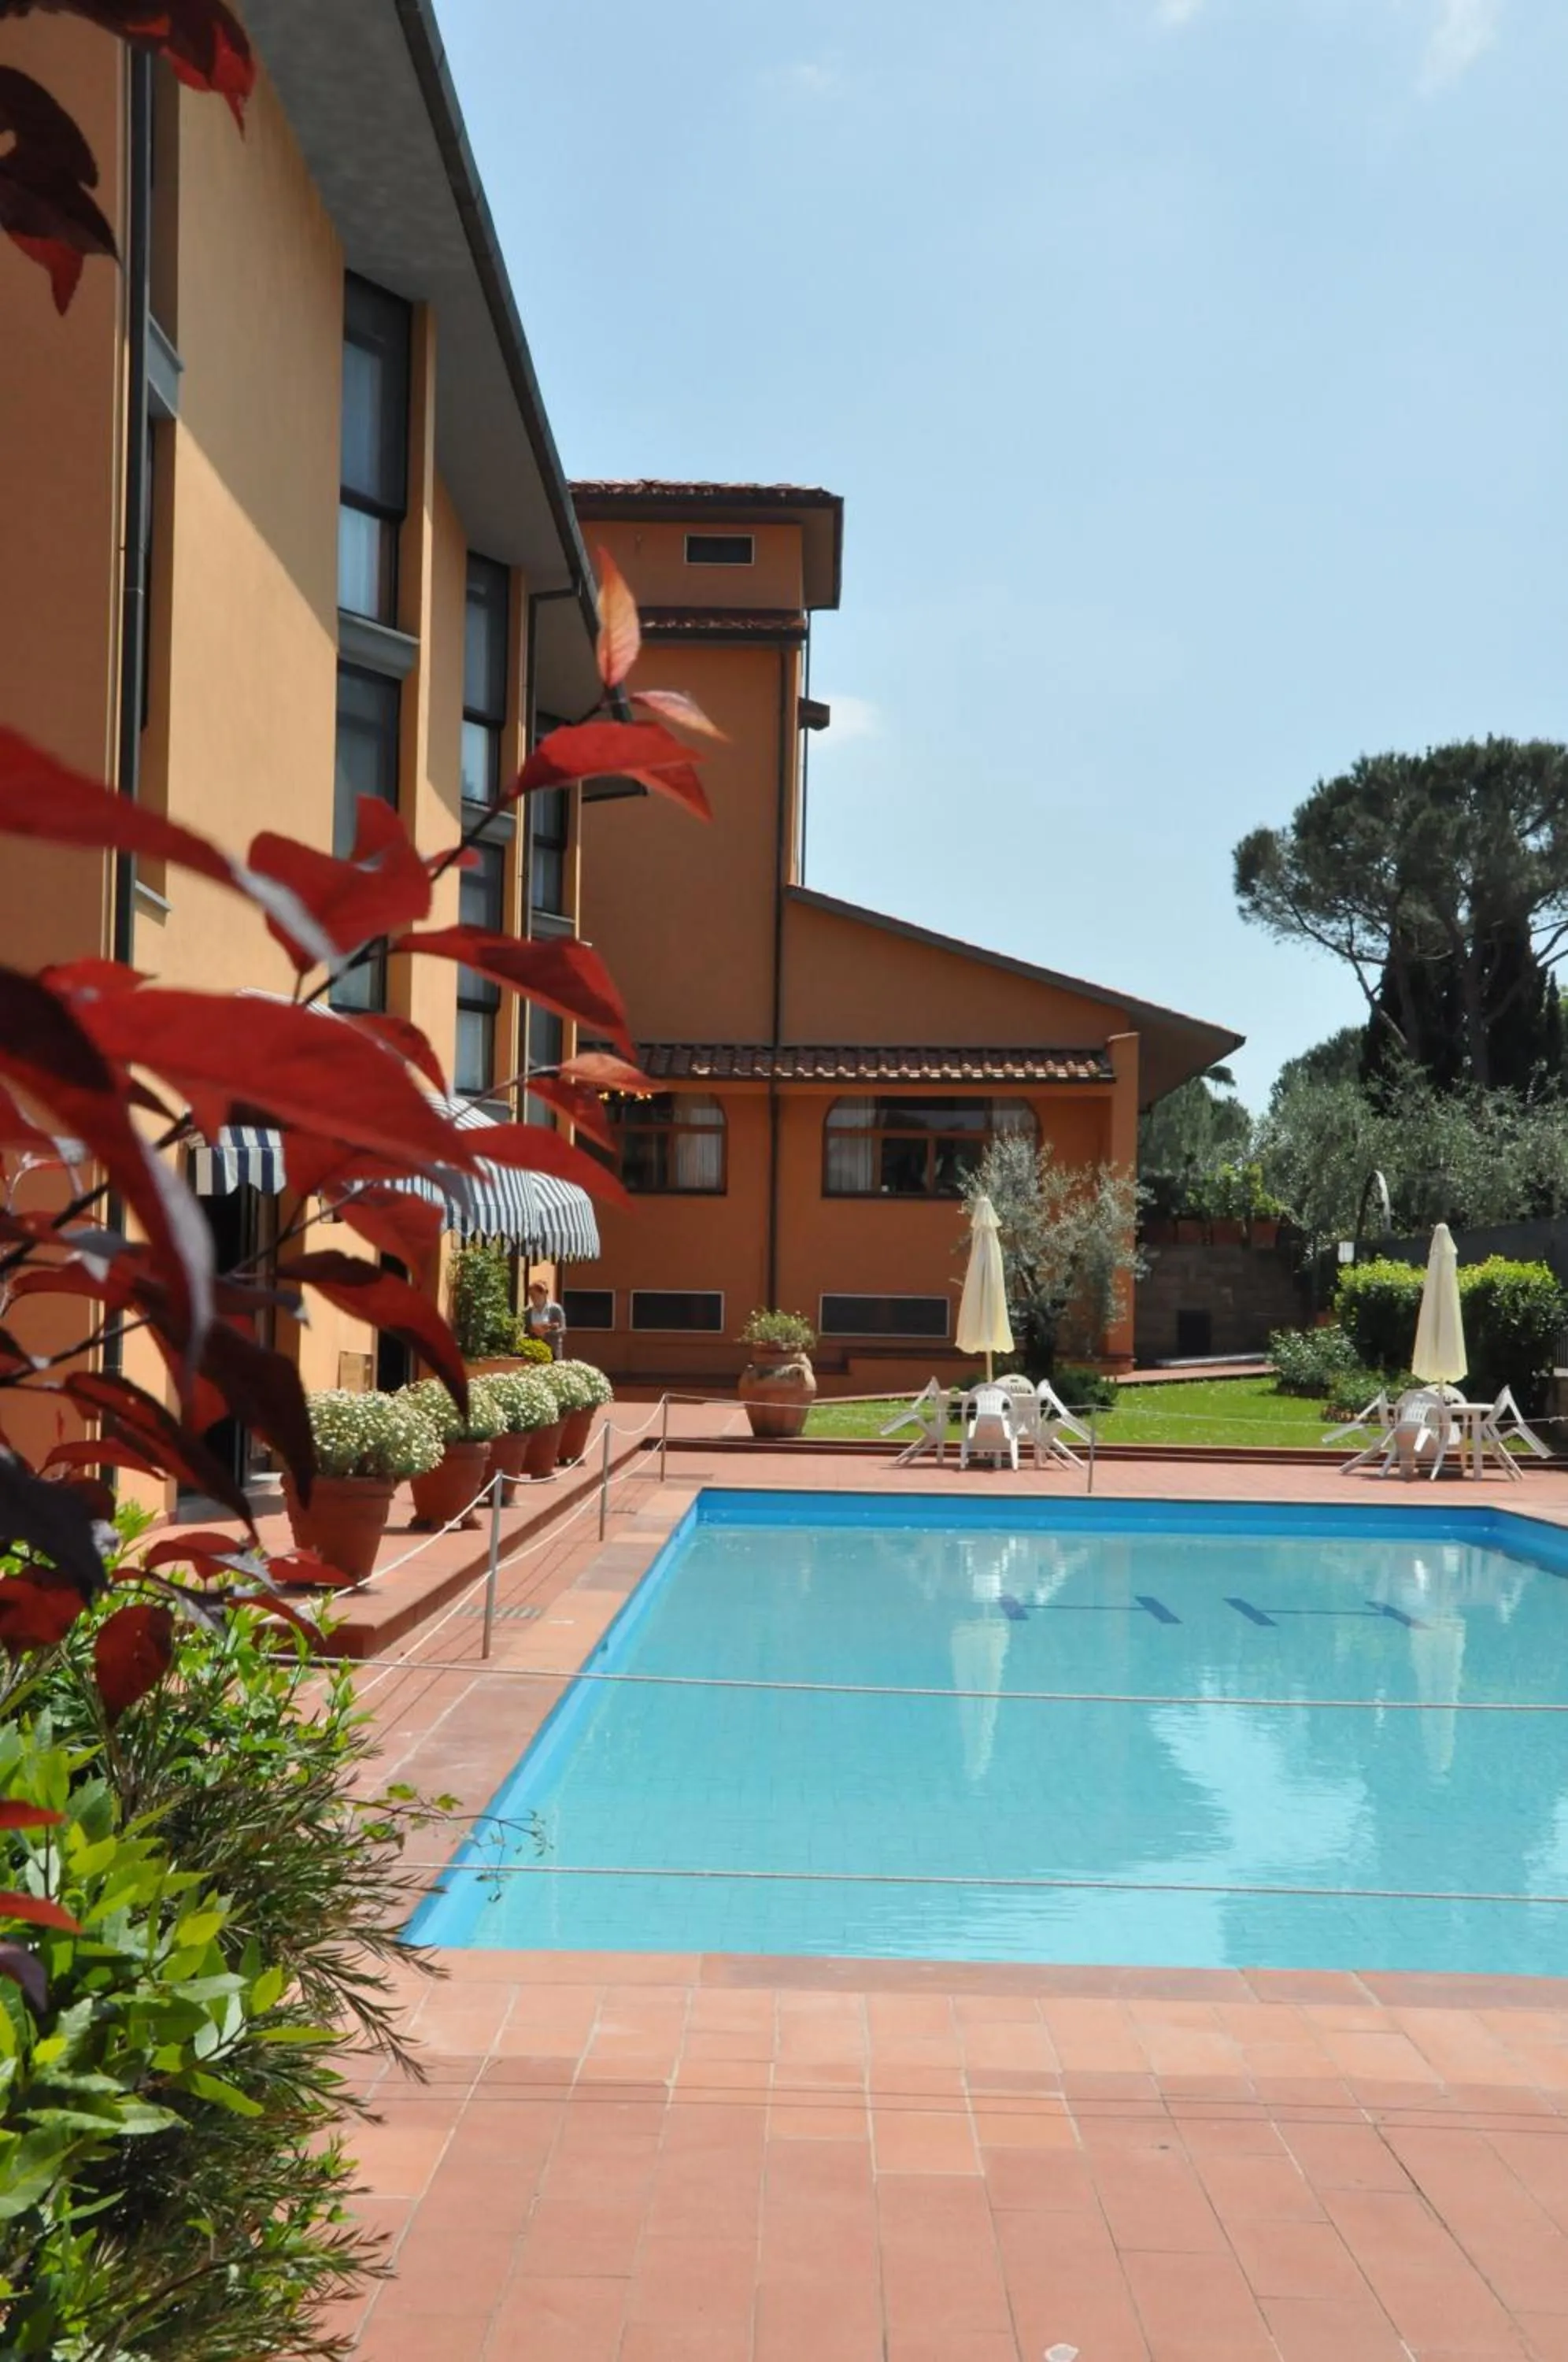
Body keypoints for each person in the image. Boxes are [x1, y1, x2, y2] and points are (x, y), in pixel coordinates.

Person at [523, 1278, 566, 1360]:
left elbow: (563, 1330)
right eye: (531, 1296)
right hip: (534, 1352)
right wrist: (532, 1331)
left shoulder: (555, 1309)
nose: (533, 1298)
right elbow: (525, 1331)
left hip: (553, 1353)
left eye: (536, 1295)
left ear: (544, 1294)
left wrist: (546, 1333)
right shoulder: (527, 1312)